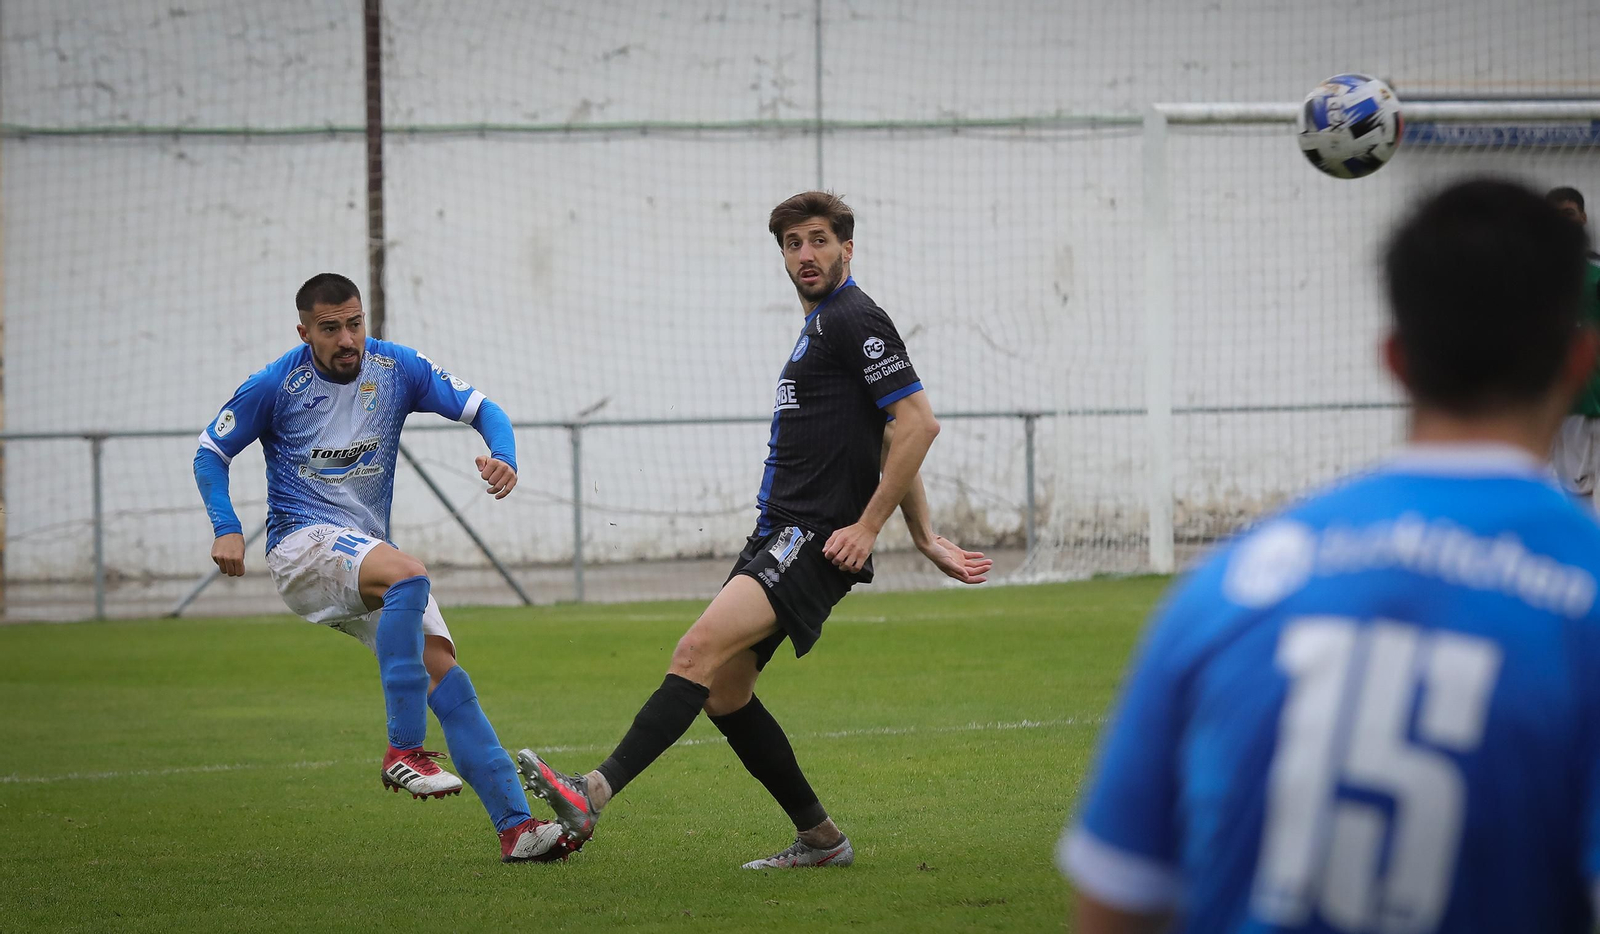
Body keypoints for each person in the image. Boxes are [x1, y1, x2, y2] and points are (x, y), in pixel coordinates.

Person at [1061, 178, 1600, 932]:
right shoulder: (1585, 598)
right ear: (1580, 359)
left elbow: (1115, 905)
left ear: (1395, 359)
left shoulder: (1228, 587)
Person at [516, 191, 993, 868]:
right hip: (783, 533)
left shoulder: (855, 317)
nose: (807, 254)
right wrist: (922, 534)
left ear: (847, 249)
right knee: (726, 691)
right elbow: (889, 431)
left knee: (694, 652)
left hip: (813, 537)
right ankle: (822, 840)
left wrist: (869, 527)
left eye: (820, 240)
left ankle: (592, 793)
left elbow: (919, 422)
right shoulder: (824, 325)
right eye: (793, 244)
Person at [193, 273, 571, 863]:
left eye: (355, 323)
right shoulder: (274, 383)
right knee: (409, 574)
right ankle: (403, 750)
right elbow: (210, 453)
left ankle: (516, 829)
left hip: (362, 552)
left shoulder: (396, 369)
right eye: (330, 328)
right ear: (304, 331)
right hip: (302, 548)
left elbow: (484, 408)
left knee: (447, 676)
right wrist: (226, 526)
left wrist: (505, 456)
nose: (348, 339)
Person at [1545, 186, 1600, 498]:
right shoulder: (1529, 277)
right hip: (1545, 404)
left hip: (1587, 405)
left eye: (1568, 214)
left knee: (1578, 495)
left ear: (1583, 218)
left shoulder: (1596, 273)